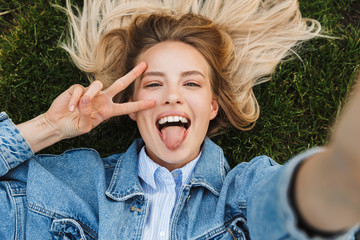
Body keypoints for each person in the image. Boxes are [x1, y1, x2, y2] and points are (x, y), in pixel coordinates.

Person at [0, 0, 359, 239]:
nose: (172, 96)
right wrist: (50, 127)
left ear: (213, 106)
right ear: (133, 104)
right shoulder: (76, 185)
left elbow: (291, 202)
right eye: (154, 83)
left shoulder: (242, 193)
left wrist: (338, 173)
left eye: (191, 83)